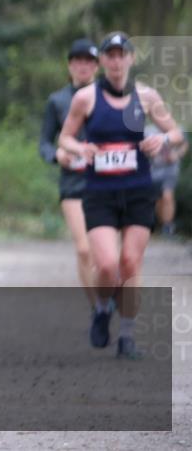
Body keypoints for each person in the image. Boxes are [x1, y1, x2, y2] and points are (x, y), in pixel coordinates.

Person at [59, 32, 186, 358]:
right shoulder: (85, 98)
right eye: (110, 55)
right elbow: (65, 139)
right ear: (102, 61)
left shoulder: (146, 96)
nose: (116, 61)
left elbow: (176, 132)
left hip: (138, 191)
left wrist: (163, 141)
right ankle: (102, 309)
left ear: (130, 58)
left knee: (130, 262)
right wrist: (81, 147)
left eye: (122, 55)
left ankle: (127, 337)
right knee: (106, 264)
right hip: (100, 193)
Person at [39, 38, 100, 307]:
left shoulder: (107, 98)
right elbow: (44, 142)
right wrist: (57, 155)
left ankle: (108, 296)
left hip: (107, 181)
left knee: (105, 253)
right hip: (73, 182)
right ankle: (96, 306)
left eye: (89, 61)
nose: (83, 66)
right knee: (84, 249)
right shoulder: (58, 101)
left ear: (97, 66)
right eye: (78, 61)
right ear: (69, 65)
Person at [147, 122, 187, 236]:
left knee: (167, 196)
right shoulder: (148, 130)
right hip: (153, 171)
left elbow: (185, 143)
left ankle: (167, 226)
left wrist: (177, 155)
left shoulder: (177, 129)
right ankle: (161, 224)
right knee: (158, 199)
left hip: (170, 170)